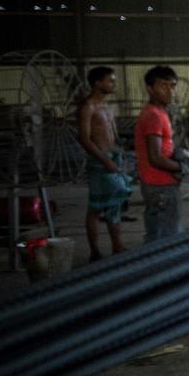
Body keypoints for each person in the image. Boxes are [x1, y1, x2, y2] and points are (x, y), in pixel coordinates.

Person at [76, 66, 131, 260]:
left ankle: (118, 245)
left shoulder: (107, 107)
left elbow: (113, 136)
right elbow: (84, 139)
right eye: (110, 81)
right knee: (96, 207)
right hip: (99, 162)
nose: (113, 84)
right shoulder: (87, 107)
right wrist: (105, 159)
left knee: (115, 203)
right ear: (98, 83)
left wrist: (119, 154)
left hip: (113, 158)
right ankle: (95, 251)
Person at [135, 65, 183, 243]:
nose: (170, 91)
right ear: (149, 88)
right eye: (163, 85)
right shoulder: (153, 115)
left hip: (160, 184)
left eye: (172, 86)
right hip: (160, 185)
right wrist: (183, 167)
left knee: (161, 232)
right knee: (166, 237)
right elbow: (155, 158)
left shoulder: (159, 113)